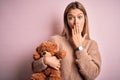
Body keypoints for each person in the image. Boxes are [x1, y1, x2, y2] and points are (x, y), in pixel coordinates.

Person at [32, 1, 101, 80]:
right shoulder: (55, 40)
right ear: (67, 21)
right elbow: (35, 68)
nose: (76, 22)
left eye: (79, 17)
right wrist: (45, 60)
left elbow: (92, 75)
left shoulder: (92, 44)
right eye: (71, 18)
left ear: (85, 19)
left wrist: (79, 47)